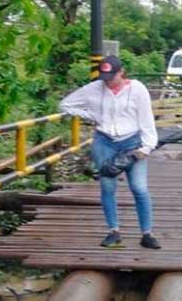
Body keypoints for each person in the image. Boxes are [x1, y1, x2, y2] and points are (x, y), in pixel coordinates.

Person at [59, 55, 161, 249]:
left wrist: (147, 147)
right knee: (107, 188)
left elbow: (146, 119)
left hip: (132, 142)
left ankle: (147, 233)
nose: (108, 81)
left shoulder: (137, 89)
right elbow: (65, 105)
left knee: (139, 188)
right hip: (104, 142)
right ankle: (113, 231)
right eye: (104, 76)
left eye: (112, 76)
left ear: (121, 72)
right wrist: (93, 115)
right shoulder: (93, 89)